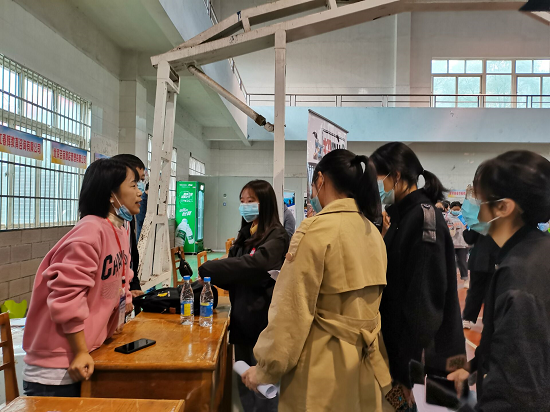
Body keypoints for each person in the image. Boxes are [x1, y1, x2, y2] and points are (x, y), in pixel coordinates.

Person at [241, 150, 392, 412]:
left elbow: (291, 313)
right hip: (368, 367)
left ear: (320, 180)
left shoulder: (315, 230)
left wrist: (265, 369)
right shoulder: (372, 233)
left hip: (324, 372)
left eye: (313, 186)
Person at [22, 159, 142, 397]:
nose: (140, 192)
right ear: (111, 194)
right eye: (133, 185)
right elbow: (67, 296)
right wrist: (79, 352)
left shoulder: (119, 228)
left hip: (88, 352)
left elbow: (120, 276)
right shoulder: (89, 232)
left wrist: (124, 302)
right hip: (59, 367)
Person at [448, 151, 550, 411]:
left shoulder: (520, 277)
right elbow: (509, 344)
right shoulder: (532, 251)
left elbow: (519, 391)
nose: (473, 207)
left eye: (480, 200)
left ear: (504, 207)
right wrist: (473, 367)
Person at [371, 142, 465, 409]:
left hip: (414, 356)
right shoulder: (402, 217)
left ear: (396, 176)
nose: (375, 186)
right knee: (394, 403)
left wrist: (405, 373)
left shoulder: (423, 220)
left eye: (378, 177)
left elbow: (423, 304)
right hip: (397, 349)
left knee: (400, 404)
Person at [198, 180, 289, 412]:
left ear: (265, 203)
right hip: (241, 322)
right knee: (244, 385)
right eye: (242, 201)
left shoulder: (276, 236)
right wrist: (213, 276)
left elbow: (254, 265)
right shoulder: (244, 235)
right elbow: (234, 273)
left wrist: (213, 268)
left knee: (265, 390)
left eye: (251, 201)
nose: (245, 206)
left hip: (263, 326)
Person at [461, 187, 500, 330]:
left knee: (482, 292)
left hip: (486, 260)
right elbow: (470, 238)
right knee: (485, 292)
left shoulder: (483, 218)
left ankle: (474, 319)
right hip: (488, 260)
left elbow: (469, 238)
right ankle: (477, 319)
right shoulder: (483, 219)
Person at [111, 154, 146, 299]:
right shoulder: (93, 231)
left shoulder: (126, 217)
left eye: (141, 182)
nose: (140, 191)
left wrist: (133, 284)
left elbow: (130, 253)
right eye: (134, 184)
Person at [448, 201, 469, 287]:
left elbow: (468, 228)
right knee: (450, 262)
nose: (456, 211)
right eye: (454, 209)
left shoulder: (463, 217)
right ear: (451, 209)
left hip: (462, 243)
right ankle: (450, 279)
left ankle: (465, 279)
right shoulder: (447, 217)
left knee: (462, 262)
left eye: (458, 209)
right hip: (450, 244)